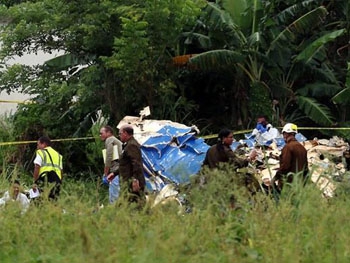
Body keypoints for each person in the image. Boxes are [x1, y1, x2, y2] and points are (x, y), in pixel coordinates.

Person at [272, 123, 308, 191]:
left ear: (286, 134)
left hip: (288, 185)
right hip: (299, 185)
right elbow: (306, 169)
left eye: (283, 134)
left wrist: (275, 178)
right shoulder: (302, 148)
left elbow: (285, 166)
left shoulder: (288, 147)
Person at [118, 124, 146, 206]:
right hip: (128, 181)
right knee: (135, 205)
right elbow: (126, 164)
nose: (119, 136)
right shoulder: (128, 144)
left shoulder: (131, 145)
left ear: (125, 133)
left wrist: (135, 180)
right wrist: (114, 173)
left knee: (135, 204)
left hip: (132, 182)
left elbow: (136, 163)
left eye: (120, 134)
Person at [33, 136, 63, 201]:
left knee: (42, 201)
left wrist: (35, 182)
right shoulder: (58, 155)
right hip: (57, 181)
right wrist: (60, 182)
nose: (37, 147)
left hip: (45, 180)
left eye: (38, 145)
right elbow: (61, 171)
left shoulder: (41, 152)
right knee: (53, 202)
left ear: (44, 144)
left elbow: (37, 167)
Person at [99, 125, 123, 204]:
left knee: (114, 197)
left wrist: (105, 173)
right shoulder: (116, 141)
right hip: (120, 170)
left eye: (101, 133)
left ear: (109, 133)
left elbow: (109, 156)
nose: (100, 135)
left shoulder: (110, 139)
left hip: (115, 171)